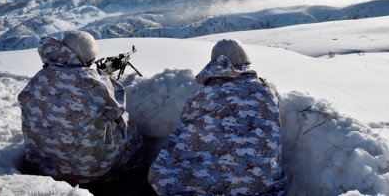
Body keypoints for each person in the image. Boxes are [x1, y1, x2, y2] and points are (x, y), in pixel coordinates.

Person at [148, 39, 286, 195]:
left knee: (165, 172)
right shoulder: (266, 88)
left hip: (199, 179)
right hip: (256, 185)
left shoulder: (202, 93)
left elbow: (185, 125)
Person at [18, 30, 142, 183]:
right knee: (131, 131)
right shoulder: (93, 82)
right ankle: (132, 173)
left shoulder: (40, 77)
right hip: (91, 170)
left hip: (42, 166)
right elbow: (117, 109)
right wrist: (105, 79)